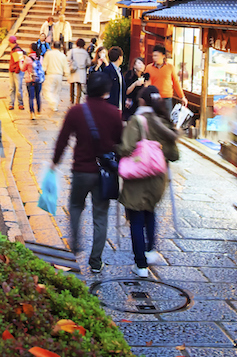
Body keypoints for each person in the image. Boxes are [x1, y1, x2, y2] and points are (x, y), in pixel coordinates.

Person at [51, 71, 124, 273]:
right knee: (100, 216)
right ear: (106, 91)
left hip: (81, 170)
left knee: (75, 207)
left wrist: (55, 162)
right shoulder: (114, 114)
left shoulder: (76, 112)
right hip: (104, 174)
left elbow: (63, 139)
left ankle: (74, 248)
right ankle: (96, 261)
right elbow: (121, 142)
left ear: (86, 88)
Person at [115, 87, 179, 277]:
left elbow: (126, 147)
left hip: (138, 178)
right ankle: (150, 250)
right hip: (158, 179)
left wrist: (115, 147)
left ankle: (140, 265)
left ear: (141, 101)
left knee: (136, 218)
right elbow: (174, 155)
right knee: (150, 211)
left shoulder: (138, 121)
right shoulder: (164, 122)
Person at [42, 42, 69, 113]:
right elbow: (66, 66)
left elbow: (44, 65)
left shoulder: (48, 54)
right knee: (56, 92)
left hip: (50, 74)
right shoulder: (62, 55)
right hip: (59, 75)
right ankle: (55, 106)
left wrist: (42, 72)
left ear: (52, 46)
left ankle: (53, 102)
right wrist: (67, 74)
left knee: (47, 90)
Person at [67, 38, 90, 104]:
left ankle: (71, 98)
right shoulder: (85, 52)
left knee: (72, 84)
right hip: (81, 70)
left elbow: (68, 59)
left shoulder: (72, 51)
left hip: (73, 69)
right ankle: (78, 100)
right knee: (79, 86)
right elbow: (88, 62)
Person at [102, 46, 125, 111]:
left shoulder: (119, 71)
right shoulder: (108, 70)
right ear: (120, 57)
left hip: (119, 105)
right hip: (110, 106)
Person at [23, 51, 44, 120]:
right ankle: (39, 112)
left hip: (30, 80)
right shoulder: (40, 58)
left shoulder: (28, 59)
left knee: (31, 97)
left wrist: (21, 61)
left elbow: (23, 69)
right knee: (38, 96)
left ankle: (32, 114)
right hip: (38, 79)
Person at [8, 38, 25, 110]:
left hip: (16, 72)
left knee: (18, 88)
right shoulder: (13, 50)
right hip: (12, 70)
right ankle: (11, 103)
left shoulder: (17, 50)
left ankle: (20, 103)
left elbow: (20, 62)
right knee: (13, 88)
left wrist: (16, 70)